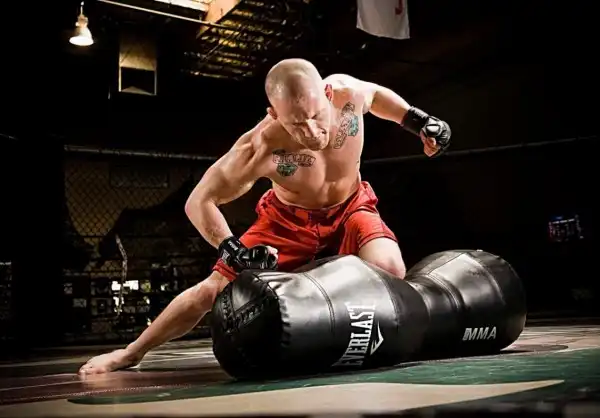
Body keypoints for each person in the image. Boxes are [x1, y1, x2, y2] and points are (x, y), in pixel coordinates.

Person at [78, 58, 451, 375]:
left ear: (326, 94)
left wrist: (418, 121)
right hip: (287, 220)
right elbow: (199, 201)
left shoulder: (348, 94)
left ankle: (389, 342)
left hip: (351, 206)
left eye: (316, 116)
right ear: (274, 114)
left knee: (390, 269)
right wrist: (231, 248)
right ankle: (131, 353)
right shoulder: (259, 145)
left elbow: (377, 96)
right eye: (296, 124)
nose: (312, 131)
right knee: (212, 290)